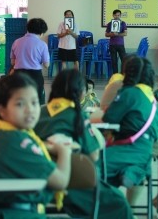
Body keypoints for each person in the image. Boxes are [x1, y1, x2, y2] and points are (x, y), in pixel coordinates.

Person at [34, 69, 133, 219]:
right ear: (80, 92)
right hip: (72, 185)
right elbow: (93, 156)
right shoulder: (77, 116)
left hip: (38, 182)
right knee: (119, 203)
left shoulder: (38, 113)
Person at [96, 57, 158, 218]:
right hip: (129, 136)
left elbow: (109, 117)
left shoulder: (139, 91)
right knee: (139, 159)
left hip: (142, 136)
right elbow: (106, 112)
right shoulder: (120, 87)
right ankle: (128, 205)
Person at [0, 73, 72, 219]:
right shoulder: (16, 140)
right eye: (20, 104)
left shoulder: (5, 134)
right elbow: (61, 181)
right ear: (1, 109)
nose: (30, 110)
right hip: (17, 214)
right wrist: (64, 150)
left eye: (34, 102)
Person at [10, 18, 50, 105]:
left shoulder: (16, 42)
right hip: (35, 76)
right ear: (41, 32)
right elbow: (47, 64)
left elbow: (12, 63)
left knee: (19, 98)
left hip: (18, 75)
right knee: (38, 100)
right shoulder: (42, 44)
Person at [105, 9, 127, 74]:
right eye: (115, 15)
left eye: (118, 15)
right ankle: (115, 75)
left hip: (120, 44)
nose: (117, 16)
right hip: (112, 45)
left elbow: (125, 33)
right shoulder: (109, 24)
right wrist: (112, 34)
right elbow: (106, 34)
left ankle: (124, 75)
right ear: (113, 15)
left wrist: (118, 34)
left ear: (120, 15)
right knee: (114, 61)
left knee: (124, 60)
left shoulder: (123, 23)